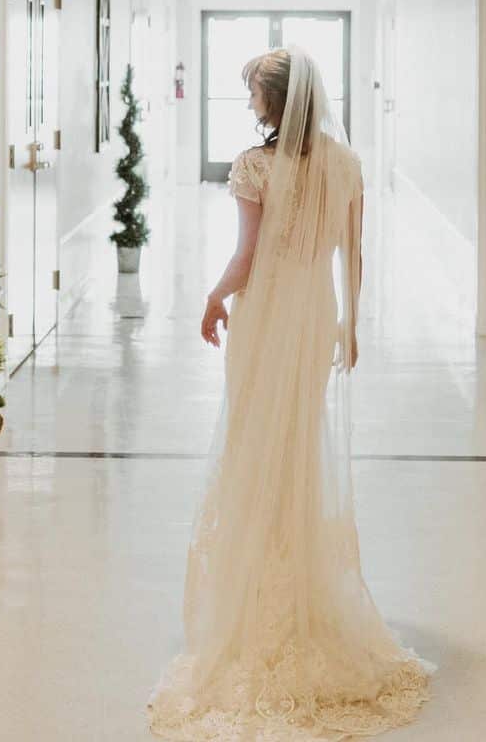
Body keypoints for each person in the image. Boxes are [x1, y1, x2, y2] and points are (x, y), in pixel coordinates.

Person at [147, 46, 434, 740]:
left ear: (275, 102)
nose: (250, 105)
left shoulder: (255, 166)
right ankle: (296, 572)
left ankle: (264, 578)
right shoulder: (345, 163)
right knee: (298, 441)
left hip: (269, 313)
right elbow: (354, 253)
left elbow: (247, 260)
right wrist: (350, 324)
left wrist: (213, 300)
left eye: (253, 94)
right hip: (312, 317)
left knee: (254, 442)